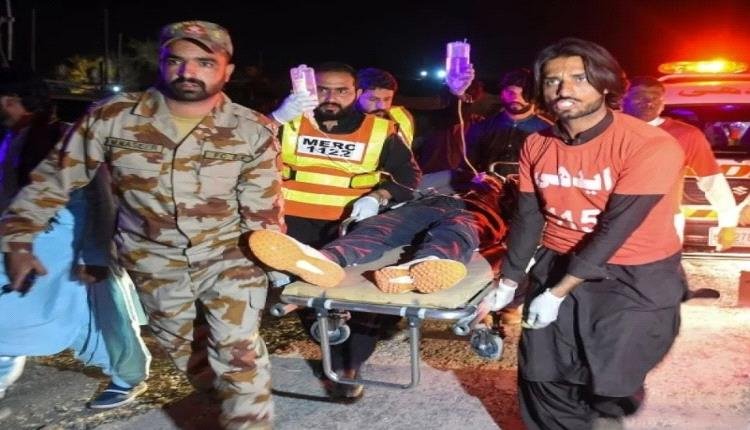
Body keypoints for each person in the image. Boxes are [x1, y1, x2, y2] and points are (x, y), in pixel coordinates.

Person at [0, 21, 283, 429]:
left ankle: (248, 418)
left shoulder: (253, 129)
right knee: (189, 355)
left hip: (228, 255)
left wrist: (280, 270)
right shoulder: (113, 117)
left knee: (236, 352)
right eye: (176, 60)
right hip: (152, 259)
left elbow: (263, 213)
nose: (188, 71)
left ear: (227, 71)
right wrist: (19, 239)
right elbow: (55, 178)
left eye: (205, 62)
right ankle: (230, 402)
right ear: (162, 64)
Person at [492, 38, 687, 429]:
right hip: (557, 258)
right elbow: (528, 217)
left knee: (613, 373)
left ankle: (605, 411)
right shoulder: (537, 144)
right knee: (543, 370)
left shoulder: (649, 145)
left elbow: (616, 229)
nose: (563, 89)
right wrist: (509, 280)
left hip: (634, 272)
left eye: (579, 78)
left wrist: (558, 293)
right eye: (552, 80)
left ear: (605, 84)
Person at [269, 61, 421, 399]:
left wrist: (379, 196)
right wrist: (274, 118)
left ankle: (351, 364)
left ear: (356, 93)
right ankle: (334, 359)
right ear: (310, 89)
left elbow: (409, 178)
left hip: (351, 228)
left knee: (358, 298)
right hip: (294, 226)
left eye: (341, 91)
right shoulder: (288, 122)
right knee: (309, 297)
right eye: (323, 89)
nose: (331, 97)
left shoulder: (380, 131)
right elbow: (242, 150)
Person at [0, 72, 150, 409]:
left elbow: (100, 198)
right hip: (24, 244)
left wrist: (94, 255)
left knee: (94, 313)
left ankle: (127, 376)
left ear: (10, 100)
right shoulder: (15, 138)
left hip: (69, 243)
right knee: (9, 307)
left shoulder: (66, 136)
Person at [249, 174, 508, 294]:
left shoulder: (505, 194)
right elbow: (408, 183)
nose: (486, 179)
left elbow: (525, 215)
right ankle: (324, 259)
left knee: (456, 231)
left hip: (477, 214)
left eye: (492, 179)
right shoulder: (449, 179)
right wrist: (379, 198)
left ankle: (426, 265)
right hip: (424, 205)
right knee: (379, 227)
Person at [622, 76, 738, 250]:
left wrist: (728, 222)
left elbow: (712, 179)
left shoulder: (686, 135)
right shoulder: (606, 130)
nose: (648, 103)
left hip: (664, 227)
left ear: (663, 103)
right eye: (640, 96)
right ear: (624, 100)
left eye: (655, 97)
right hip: (612, 222)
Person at [465, 68, 550, 176]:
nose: (516, 97)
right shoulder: (482, 127)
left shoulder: (548, 132)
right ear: (502, 94)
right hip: (487, 185)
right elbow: (468, 167)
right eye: (510, 92)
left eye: (524, 93)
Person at [355, 67, 415, 147]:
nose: (382, 106)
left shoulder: (402, 117)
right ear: (357, 95)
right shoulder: (340, 120)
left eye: (387, 99)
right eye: (373, 99)